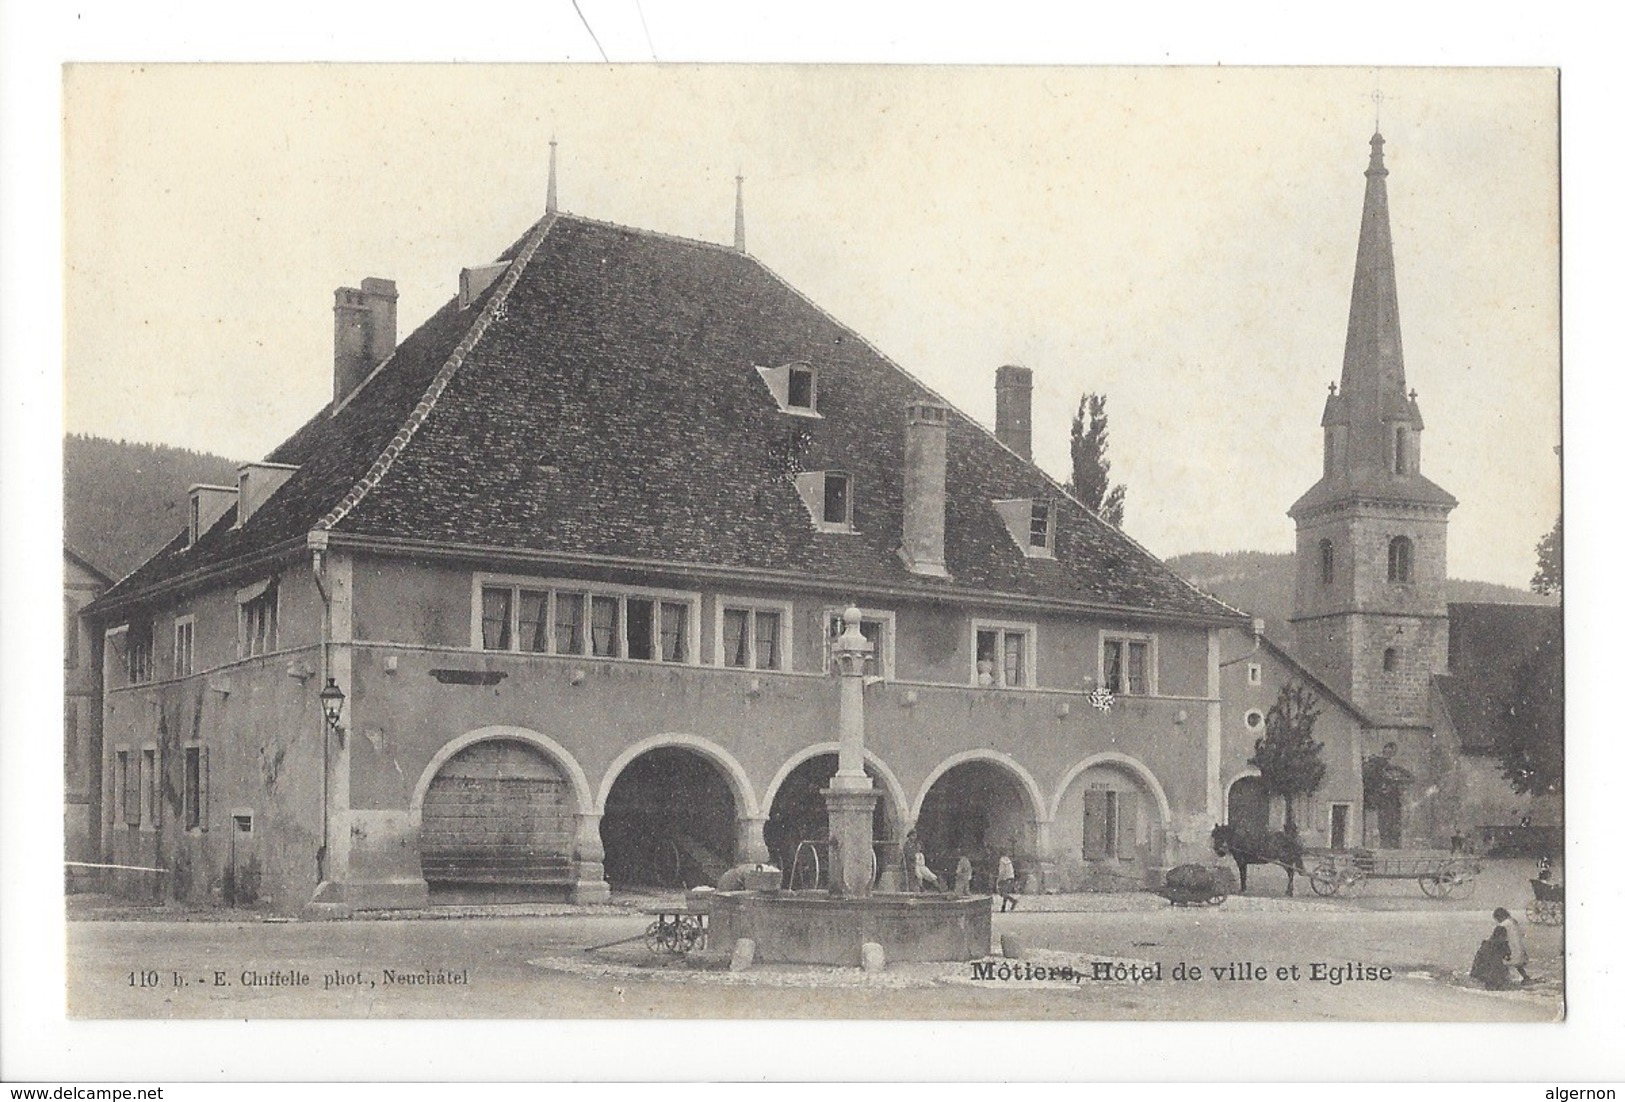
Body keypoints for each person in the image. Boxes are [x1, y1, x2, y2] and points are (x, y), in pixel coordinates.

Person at [1494, 907, 1530, 984]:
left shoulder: (1502, 925)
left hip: (1512, 953)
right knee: (1516, 961)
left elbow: (1498, 941)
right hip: (1521, 952)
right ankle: (1525, 977)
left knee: (1498, 957)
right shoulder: (1513, 921)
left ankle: (1503, 979)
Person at [1469, 925, 1511, 990]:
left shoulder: (1502, 945)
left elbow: (1507, 958)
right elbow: (1489, 962)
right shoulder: (1488, 946)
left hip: (1492, 972)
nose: (1505, 938)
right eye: (1504, 936)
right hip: (1484, 973)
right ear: (1498, 936)